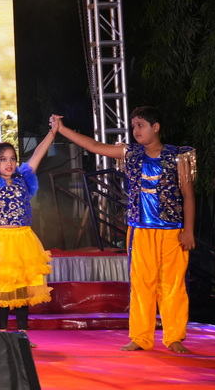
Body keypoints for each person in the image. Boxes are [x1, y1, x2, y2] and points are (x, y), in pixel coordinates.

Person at [54, 107, 196, 353]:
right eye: (133, 126)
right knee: (141, 283)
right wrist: (62, 129)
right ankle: (140, 337)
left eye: (140, 125)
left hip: (172, 230)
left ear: (155, 127)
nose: (135, 130)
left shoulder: (177, 156)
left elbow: (188, 195)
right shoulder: (131, 153)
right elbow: (94, 146)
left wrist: (189, 230)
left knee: (173, 284)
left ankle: (174, 337)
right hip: (140, 229)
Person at [0, 116, 59, 331]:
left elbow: (37, 155)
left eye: (12, 158)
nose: (9, 163)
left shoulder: (23, 180)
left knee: (23, 287)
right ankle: (2, 332)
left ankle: (22, 333)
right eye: (3, 159)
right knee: (3, 288)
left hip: (24, 239)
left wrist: (53, 132)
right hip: (2, 242)